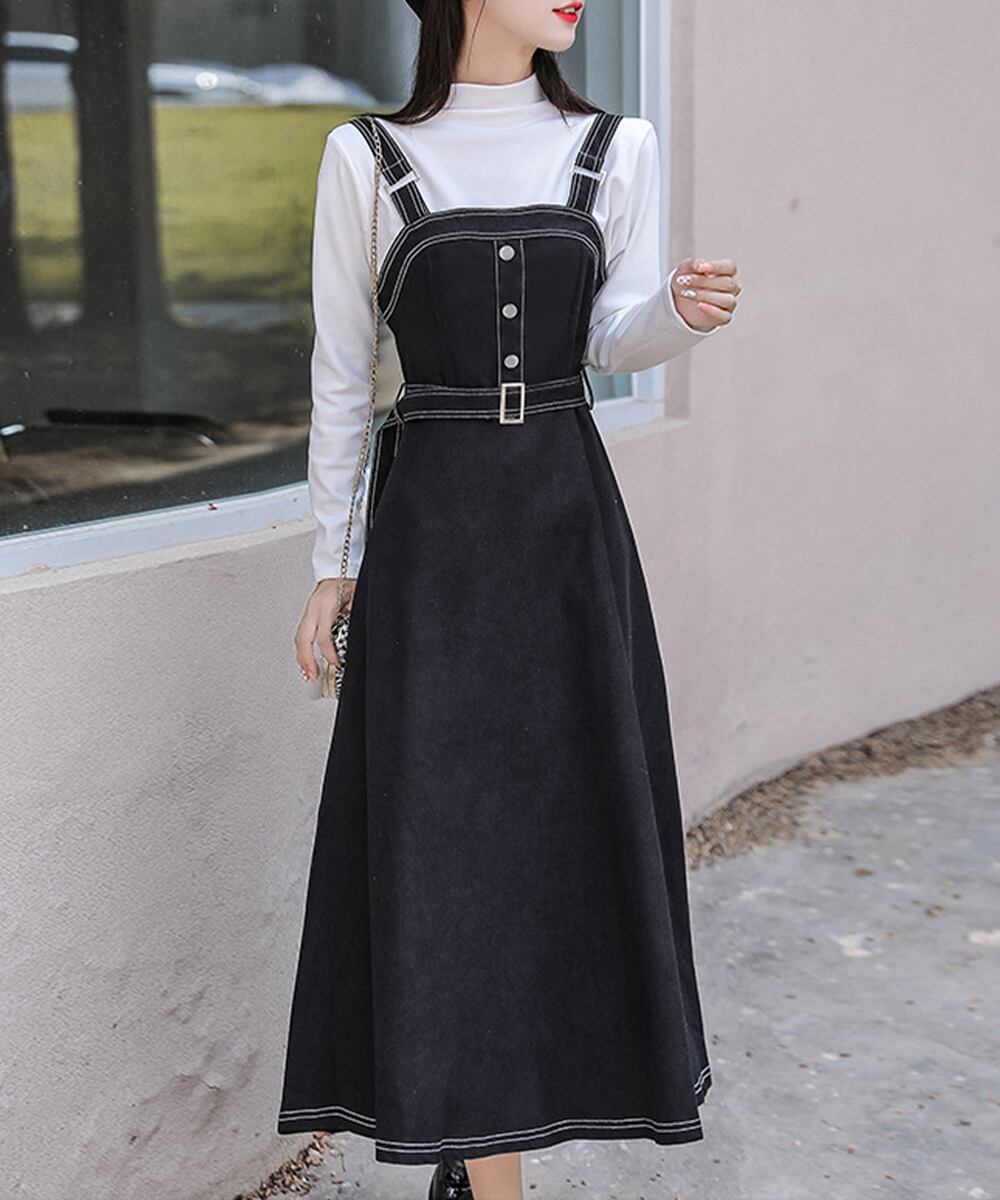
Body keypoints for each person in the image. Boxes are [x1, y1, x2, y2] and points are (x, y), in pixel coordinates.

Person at [279, 2, 740, 1198]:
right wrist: (332, 564)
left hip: (565, 540)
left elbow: (611, 336)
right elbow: (341, 373)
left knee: (560, 839)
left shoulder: (616, 147)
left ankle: (487, 1158)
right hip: (429, 553)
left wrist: (677, 316)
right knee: (448, 848)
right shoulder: (366, 157)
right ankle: (481, 1163)